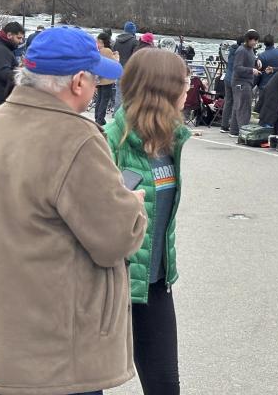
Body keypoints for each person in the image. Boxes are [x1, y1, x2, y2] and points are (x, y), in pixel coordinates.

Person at [0, 27, 146, 395]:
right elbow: (115, 239)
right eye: (95, 77)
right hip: (53, 361)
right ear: (78, 81)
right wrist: (133, 204)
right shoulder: (76, 138)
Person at [104, 48, 191, 395]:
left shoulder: (173, 141)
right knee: (85, 382)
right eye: (183, 83)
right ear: (163, 89)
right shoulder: (110, 141)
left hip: (154, 284)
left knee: (165, 386)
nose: (189, 89)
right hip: (111, 283)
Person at [228, 29, 260, 137]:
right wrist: (251, 70)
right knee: (244, 107)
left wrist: (256, 61)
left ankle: (234, 130)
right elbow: (237, 67)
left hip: (245, 81)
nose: (255, 42)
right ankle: (243, 132)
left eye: (256, 40)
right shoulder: (241, 50)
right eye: (253, 40)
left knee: (238, 106)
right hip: (241, 82)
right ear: (248, 39)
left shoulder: (250, 50)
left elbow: (247, 61)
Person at [94, 31, 121, 126]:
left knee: (99, 100)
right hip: (107, 80)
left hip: (99, 80)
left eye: (97, 41)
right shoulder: (107, 50)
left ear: (101, 41)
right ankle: (100, 120)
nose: (96, 43)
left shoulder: (98, 51)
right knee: (104, 101)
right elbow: (115, 62)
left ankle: (97, 117)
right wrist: (116, 55)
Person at [219, 38, 241, 133]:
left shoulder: (232, 50)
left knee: (228, 102)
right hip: (235, 79)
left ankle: (224, 125)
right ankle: (234, 126)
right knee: (236, 102)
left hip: (227, 78)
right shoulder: (241, 52)